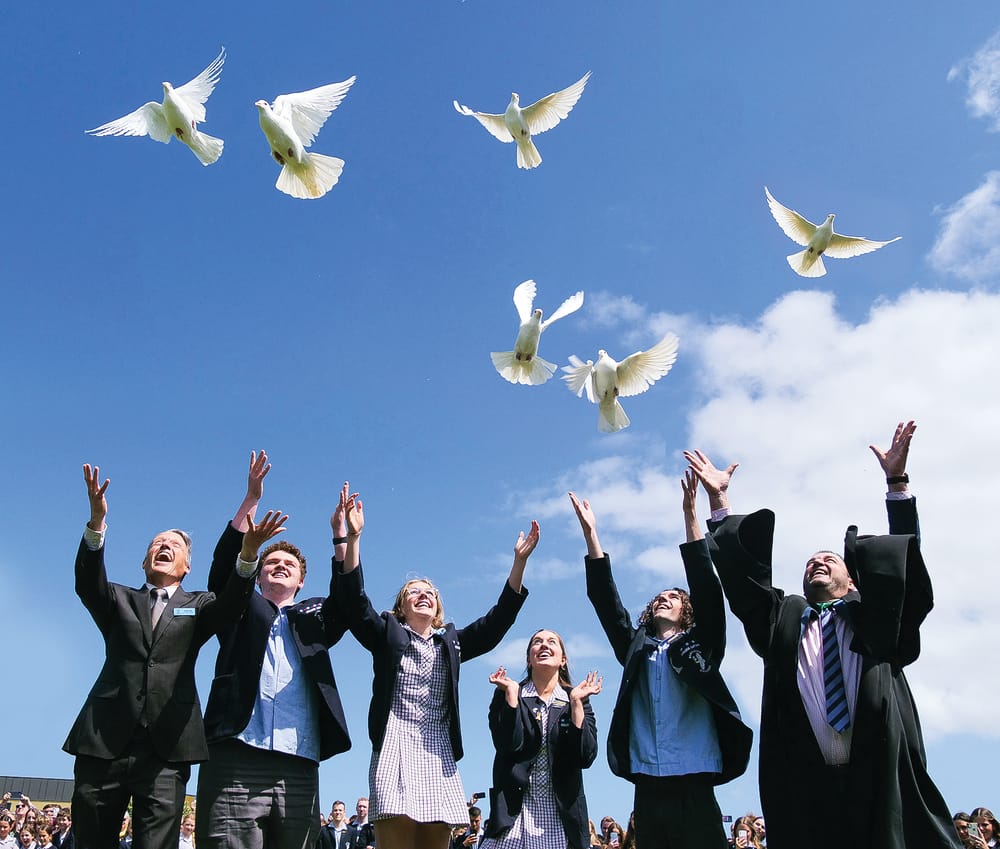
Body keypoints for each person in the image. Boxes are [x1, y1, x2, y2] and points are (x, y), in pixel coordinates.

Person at [700, 422, 961, 849]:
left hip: (877, 775)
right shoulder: (786, 616)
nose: (817, 562)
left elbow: (905, 570)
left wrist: (896, 483)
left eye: (829, 559)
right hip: (807, 783)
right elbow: (744, 585)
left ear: (854, 581)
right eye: (810, 561)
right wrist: (720, 501)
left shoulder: (873, 617)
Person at [62, 462, 286, 849]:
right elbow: (87, 582)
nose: (164, 546)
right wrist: (97, 523)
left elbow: (233, 604)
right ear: (144, 561)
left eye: (175, 545)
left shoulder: (198, 605)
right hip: (103, 742)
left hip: (166, 751)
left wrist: (247, 555)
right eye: (157, 543)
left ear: (187, 567)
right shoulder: (118, 599)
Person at [335, 481, 537, 849]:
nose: (424, 594)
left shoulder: (451, 644)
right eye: (414, 590)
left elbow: (495, 624)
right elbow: (353, 602)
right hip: (395, 745)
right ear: (401, 606)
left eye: (430, 592)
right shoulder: (386, 633)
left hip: (438, 750)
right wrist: (353, 538)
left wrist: (519, 563)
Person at [569, 470, 752, 849]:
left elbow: (705, 584)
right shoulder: (636, 648)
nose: (662, 599)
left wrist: (690, 515)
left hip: (695, 775)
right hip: (648, 781)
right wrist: (591, 536)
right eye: (658, 598)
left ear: (687, 611)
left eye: (673, 597)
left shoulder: (701, 645)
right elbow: (607, 603)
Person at [196, 452, 352, 849]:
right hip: (236, 753)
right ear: (257, 572)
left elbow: (349, 601)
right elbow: (221, 571)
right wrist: (250, 500)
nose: (279, 565)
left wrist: (343, 539)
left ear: (301, 581)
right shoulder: (238, 607)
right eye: (271, 562)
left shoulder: (314, 616)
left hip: (299, 758)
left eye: (289, 564)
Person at [480, 629, 602, 849]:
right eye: (537, 642)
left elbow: (585, 756)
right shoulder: (508, 692)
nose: (544, 645)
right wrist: (511, 699)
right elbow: (509, 745)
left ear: (563, 660)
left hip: (560, 820)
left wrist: (575, 705)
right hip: (512, 817)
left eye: (551, 642)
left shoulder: (577, 699)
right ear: (529, 658)